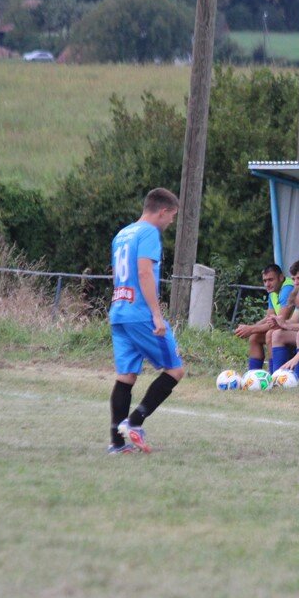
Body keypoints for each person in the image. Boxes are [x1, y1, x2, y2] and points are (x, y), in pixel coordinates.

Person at [107, 188, 185, 454]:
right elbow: (143, 271)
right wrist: (156, 313)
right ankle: (135, 422)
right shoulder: (149, 233)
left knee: (126, 376)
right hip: (140, 313)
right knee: (175, 369)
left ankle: (116, 443)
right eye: (172, 216)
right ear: (162, 211)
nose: (171, 222)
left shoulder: (123, 234)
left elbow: (120, 274)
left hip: (119, 309)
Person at [269, 260, 299, 375]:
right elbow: (294, 320)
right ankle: (277, 375)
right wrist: (281, 323)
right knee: (277, 334)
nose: (296, 283)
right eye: (294, 279)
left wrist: (287, 325)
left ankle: (297, 377)